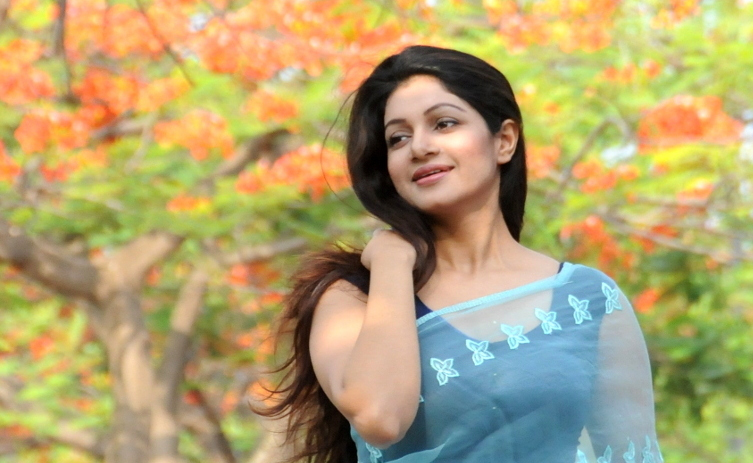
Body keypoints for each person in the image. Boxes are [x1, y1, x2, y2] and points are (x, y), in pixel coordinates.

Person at [258, 45, 663, 463]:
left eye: (444, 123)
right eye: (398, 138)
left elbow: (633, 455)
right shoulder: (353, 295)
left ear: (504, 141)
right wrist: (393, 263)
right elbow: (380, 417)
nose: (419, 147)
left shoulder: (588, 299)